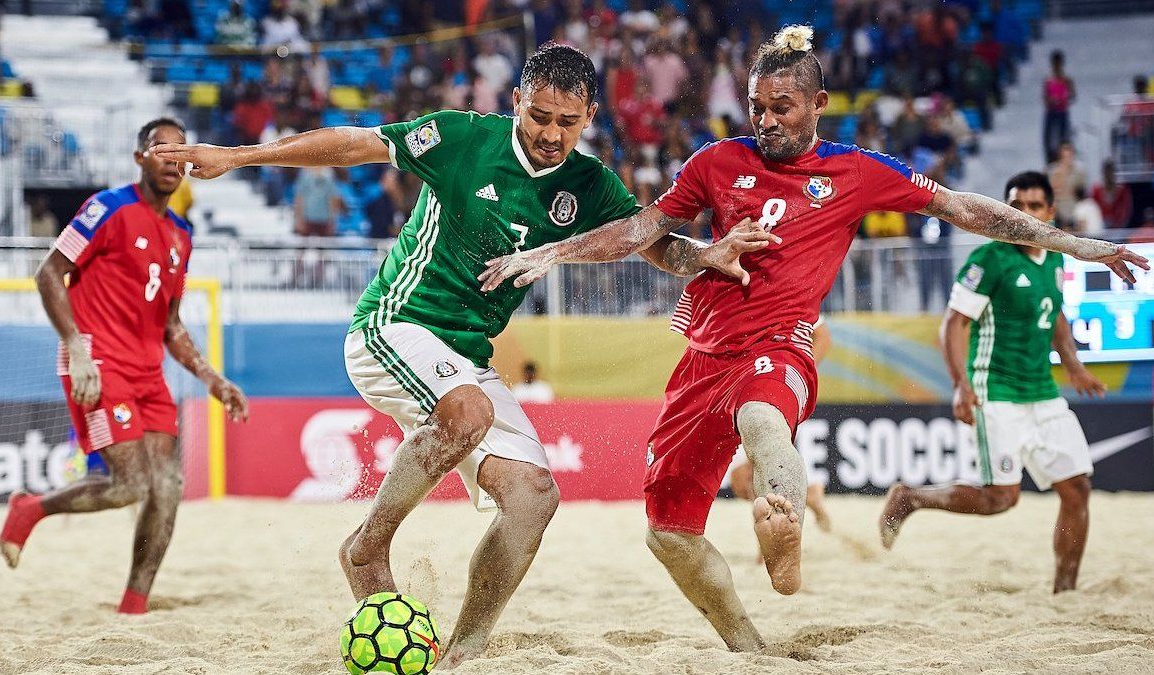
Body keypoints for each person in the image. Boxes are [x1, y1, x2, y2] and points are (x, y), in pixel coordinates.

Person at [478, 25, 1147, 651]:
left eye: (782, 107)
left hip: (781, 345)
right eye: (757, 107)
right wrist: (556, 252)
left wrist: (1080, 245)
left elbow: (966, 208)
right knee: (668, 534)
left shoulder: (856, 170)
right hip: (701, 359)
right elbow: (643, 228)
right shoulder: (717, 162)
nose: (767, 121)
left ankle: (784, 520)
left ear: (819, 103)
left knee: (767, 423)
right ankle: (752, 647)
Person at [152, 43, 753, 667]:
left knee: (534, 499)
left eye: (566, 123)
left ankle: (466, 648)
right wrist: (238, 156)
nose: (550, 134)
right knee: (467, 414)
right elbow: (352, 144)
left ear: (589, 116)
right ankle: (367, 546)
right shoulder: (459, 136)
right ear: (516, 100)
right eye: (538, 116)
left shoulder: (590, 183)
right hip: (394, 324)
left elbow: (652, 245)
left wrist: (705, 256)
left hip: (468, 356)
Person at [0, 118, 249, 614]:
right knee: (130, 484)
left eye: (181, 150)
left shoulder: (180, 234)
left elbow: (172, 323)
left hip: (149, 372)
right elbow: (50, 273)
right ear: (140, 159)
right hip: (95, 361)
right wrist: (77, 347)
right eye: (161, 149)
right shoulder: (107, 208)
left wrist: (212, 378)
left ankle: (134, 604)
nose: (173, 158)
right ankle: (31, 509)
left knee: (169, 487)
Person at [879, 171, 1106, 593]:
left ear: (1050, 212)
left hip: (1042, 392)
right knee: (1001, 498)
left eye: (1033, 206)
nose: (1023, 215)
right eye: (1015, 206)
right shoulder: (990, 259)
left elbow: (1053, 313)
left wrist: (1072, 363)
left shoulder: (1055, 259)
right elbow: (954, 324)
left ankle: (1065, 593)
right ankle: (911, 498)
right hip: (995, 391)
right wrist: (961, 384)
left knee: (1077, 489)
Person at [727, 317, 832, 534]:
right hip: (743, 386)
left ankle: (767, 542)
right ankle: (808, 495)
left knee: (757, 470)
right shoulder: (738, 296)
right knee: (740, 480)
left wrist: (802, 371)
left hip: (776, 387)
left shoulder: (790, 294)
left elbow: (823, 337)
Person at [1043, 50, 1075, 164]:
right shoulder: (1048, 80)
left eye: (1059, 63)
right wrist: (1051, 101)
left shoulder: (1067, 80)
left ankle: (1064, 161)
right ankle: (1050, 162)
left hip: (1062, 112)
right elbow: (1045, 98)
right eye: (1055, 63)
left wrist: (1064, 97)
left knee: (1064, 139)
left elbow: (1073, 96)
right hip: (1051, 113)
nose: (1057, 65)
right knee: (1048, 140)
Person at [1092, 159, 1132, 229]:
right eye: (1107, 173)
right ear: (1103, 174)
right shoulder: (1096, 190)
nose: (1109, 176)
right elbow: (1093, 209)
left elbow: (1126, 209)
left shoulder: (1122, 190)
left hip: (1119, 226)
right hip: (1101, 226)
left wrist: (1119, 223)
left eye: (1111, 173)